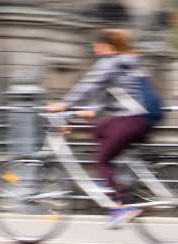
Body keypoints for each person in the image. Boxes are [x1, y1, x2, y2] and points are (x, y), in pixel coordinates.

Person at [51, 28, 158, 227]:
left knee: (102, 161)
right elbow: (112, 94)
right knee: (101, 129)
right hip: (140, 117)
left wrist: (64, 104)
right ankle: (116, 184)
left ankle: (122, 206)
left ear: (105, 46)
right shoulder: (125, 63)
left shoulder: (110, 62)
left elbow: (89, 85)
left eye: (96, 46)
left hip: (132, 118)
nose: (95, 49)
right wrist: (82, 112)